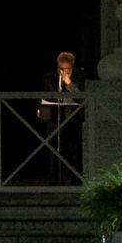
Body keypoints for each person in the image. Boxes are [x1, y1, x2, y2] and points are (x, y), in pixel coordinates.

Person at [39, 51, 84, 183]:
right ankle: (55, 179)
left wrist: (69, 83)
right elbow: (43, 96)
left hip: (73, 118)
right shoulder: (49, 78)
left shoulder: (79, 77)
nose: (64, 72)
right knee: (54, 148)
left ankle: (76, 179)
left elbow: (81, 96)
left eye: (68, 69)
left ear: (72, 67)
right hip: (54, 117)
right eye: (61, 69)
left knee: (73, 149)